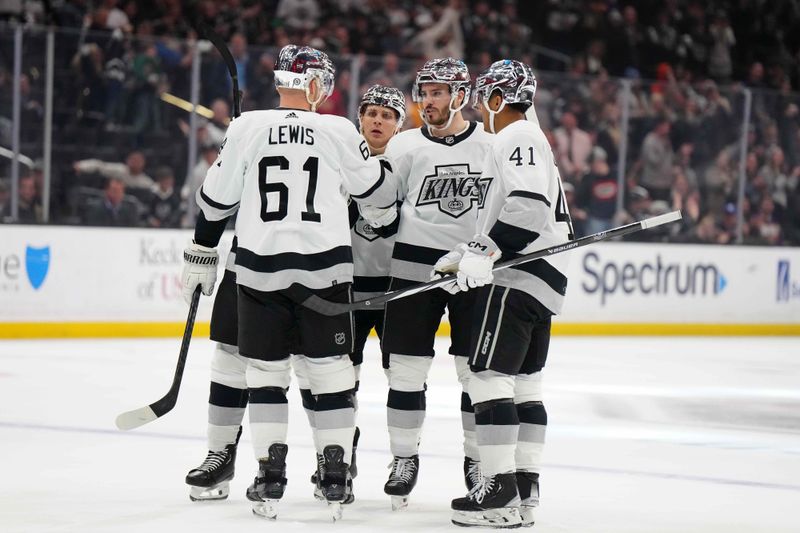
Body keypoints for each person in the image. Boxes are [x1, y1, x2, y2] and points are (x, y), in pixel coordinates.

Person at [180, 44, 396, 521]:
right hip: (326, 270)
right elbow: (375, 192)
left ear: (280, 83)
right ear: (317, 85)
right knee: (331, 373)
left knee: (264, 376)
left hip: (259, 268)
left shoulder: (247, 126)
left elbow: (216, 201)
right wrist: (384, 197)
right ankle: (335, 472)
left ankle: (269, 473)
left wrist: (201, 247)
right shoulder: (339, 129)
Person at [438, 59, 573, 528]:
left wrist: (489, 251)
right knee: (526, 385)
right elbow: (521, 205)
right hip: (547, 278)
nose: (480, 108)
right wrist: (469, 249)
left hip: (519, 274)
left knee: (487, 377)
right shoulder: (533, 140)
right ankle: (523, 487)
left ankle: (497, 493)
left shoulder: (517, 136)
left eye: (483, 99)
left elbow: (528, 207)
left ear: (498, 100)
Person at [379, 57, 494, 510]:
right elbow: (382, 207)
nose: (427, 101)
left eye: (438, 93)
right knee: (405, 371)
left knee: (475, 374)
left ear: (461, 96)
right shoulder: (404, 146)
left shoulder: (491, 145)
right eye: (424, 92)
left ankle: (477, 463)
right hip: (412, 267)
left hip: (471, 269)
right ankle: (403, 460)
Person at [298, 84, 407, 501]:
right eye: (372, 113)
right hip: (347, 286)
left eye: (387, 115)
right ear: (359, 118)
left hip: (398, 288)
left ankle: (403, 460)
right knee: (339, 381)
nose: (378, 121)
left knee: (404, 379)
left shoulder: (408, 162)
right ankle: (340, 456)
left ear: (399, 125)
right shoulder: (336, 161)